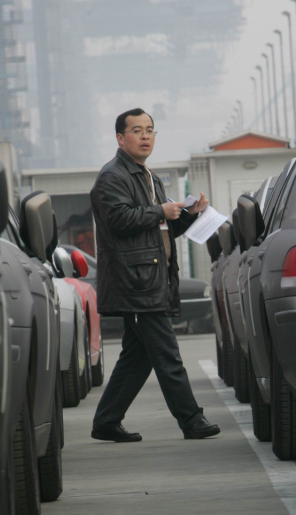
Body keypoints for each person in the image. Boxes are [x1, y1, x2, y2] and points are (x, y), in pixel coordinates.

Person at [90, 108, 220, 442]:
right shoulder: (112, 176)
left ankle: (106, 421)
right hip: (134, 282)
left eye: (150, 130)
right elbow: (119, 220)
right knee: (166, 354)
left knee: (139, 357)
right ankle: (191, 420)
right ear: (120, 138)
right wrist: (159, 210)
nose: (145, 136)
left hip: (150, 279)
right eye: (137, 130)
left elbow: (158, 229)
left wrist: (189, 215)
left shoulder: (148, 176)